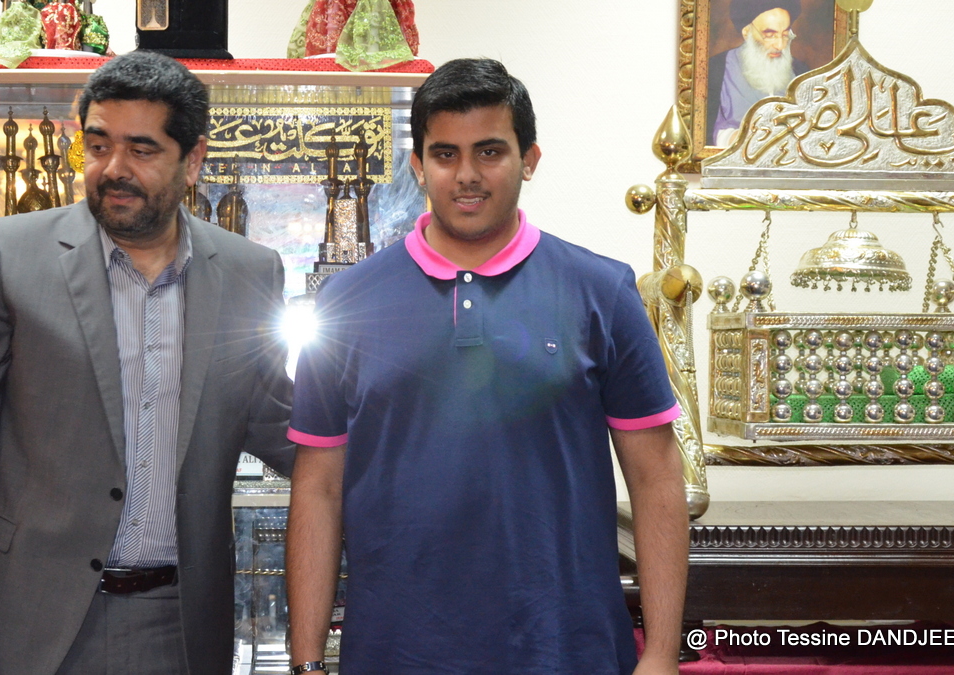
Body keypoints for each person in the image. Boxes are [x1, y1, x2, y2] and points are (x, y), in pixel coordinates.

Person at [285, 58, 689, 675]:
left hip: (565, 649)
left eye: (490, 152)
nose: (467, 175)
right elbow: (318, 488)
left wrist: (660, 654)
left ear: (530, 159)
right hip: (396, 653)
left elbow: (657, 477)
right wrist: (306, 663)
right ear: (417, 165)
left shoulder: (602, 292)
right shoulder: (346, 302)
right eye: (445, 154)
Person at [0, 51, 294, 675]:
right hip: (30, 622)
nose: (114, 168)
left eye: (142, 150)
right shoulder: (8, 257)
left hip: (181, 627)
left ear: (193, 159)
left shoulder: (249, 273)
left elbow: (285, 428)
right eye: (97, 146)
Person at [708, 0, 811, 147]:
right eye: (770, 35)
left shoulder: (801, 71)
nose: (780, 45)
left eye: (785, 34)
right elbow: (703, 137)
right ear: (747, 32)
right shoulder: (714, 70)